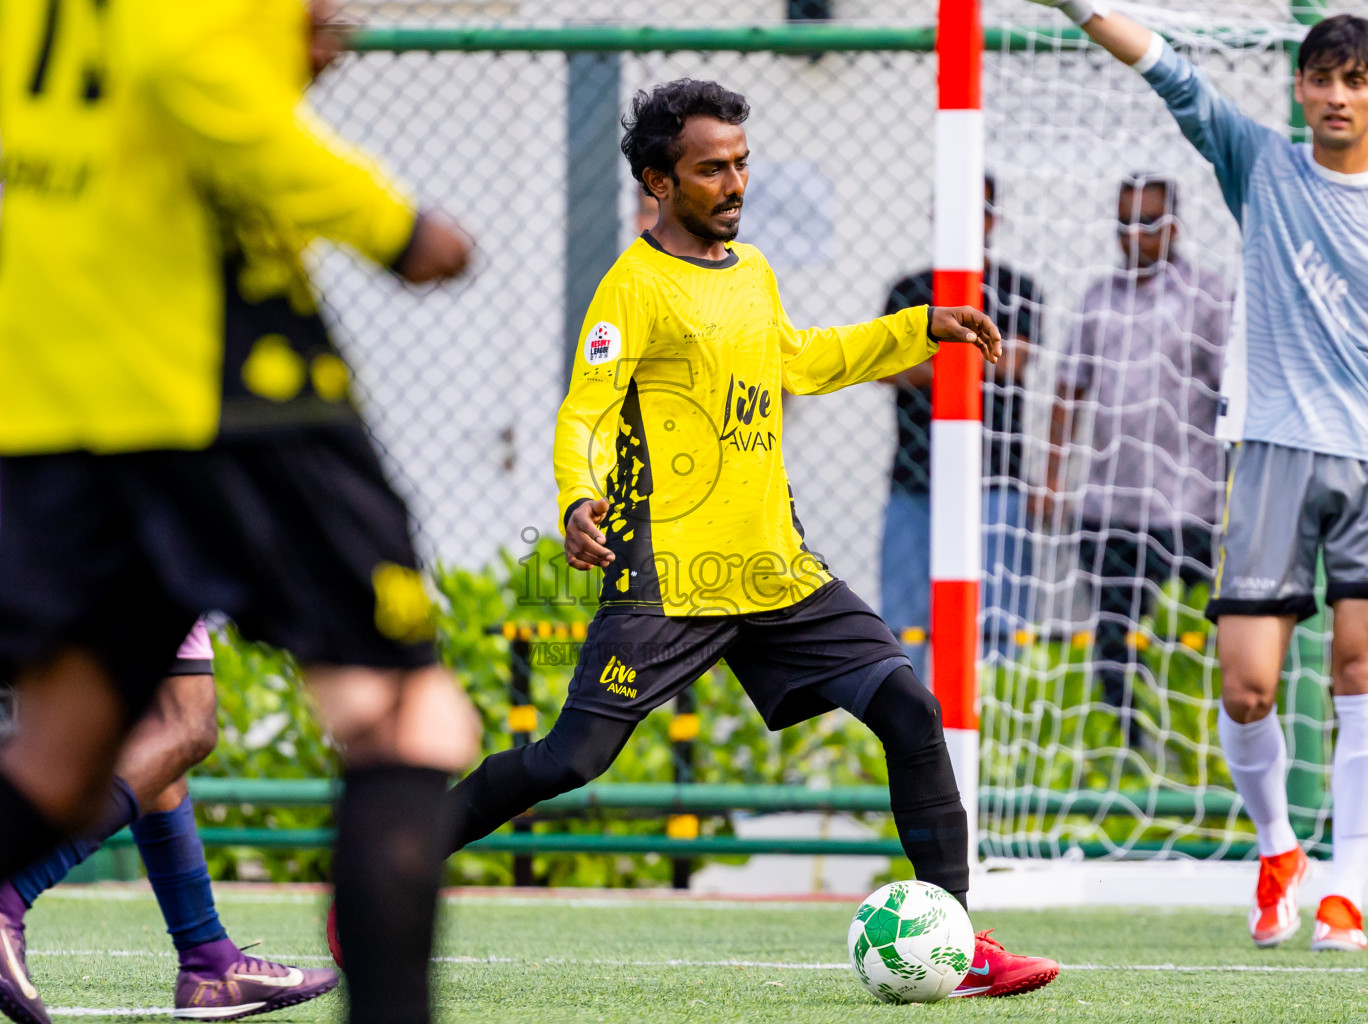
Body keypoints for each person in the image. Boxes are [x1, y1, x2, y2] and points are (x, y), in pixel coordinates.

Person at [0, 3, 478, 1023]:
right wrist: (397, 227)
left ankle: (202, 954)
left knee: (56, 763)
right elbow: (200, 89)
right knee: (402, 718)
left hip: (60, 386)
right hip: (221, 369)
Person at [443, 78, 1058, 999]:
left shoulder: (753, 269)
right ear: (658, 179)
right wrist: (578, 501)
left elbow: (797, 358)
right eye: (709, 169)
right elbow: (585, 414)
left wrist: (917, 327)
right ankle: (398, 860)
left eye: (740, 164)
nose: (733, 183)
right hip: (673, 580)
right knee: (569, 762)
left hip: (776, 571)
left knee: (909, 708)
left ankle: (958, 937)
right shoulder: (632, 289)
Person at [1036, 1, 1368, 952]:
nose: (1337, 96)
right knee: (1249, 686)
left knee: (1361, 666)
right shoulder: (1261, 165)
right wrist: (1075, 6)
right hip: (1265, 455)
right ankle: (1277, 851)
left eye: (1355, 79)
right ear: (1300, 88)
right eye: (1321, 78)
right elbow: (1171, 70)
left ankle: (1345, 889)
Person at [0, 192, 339, 1024]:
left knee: (151, 732)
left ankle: (208, 961)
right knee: (188, 723)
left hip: (43, 471)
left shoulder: (45, 165)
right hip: (125, 478)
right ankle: (0, 895)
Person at [1051, 174, 1230, 749]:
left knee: (1201, 638)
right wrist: (1054, 476)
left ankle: (1204, 752)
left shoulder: (1207, 296)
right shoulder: (1098, 299)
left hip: (1189, 507)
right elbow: (1068, 389)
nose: (1134, 234)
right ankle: (1129, 752)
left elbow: (1236, 395)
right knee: (1116, 643)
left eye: (1147, 222)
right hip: (1111, 508)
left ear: (1173, 226)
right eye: (1124, 222)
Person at [879, 175, 1043, 668]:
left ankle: (985, 728)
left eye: (978, 212)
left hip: (995, 478)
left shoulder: (1018, 289)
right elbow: (885, 367)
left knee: (995, 623)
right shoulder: (908, 290)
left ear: (994, 219)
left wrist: (930, 361)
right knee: (904, 622)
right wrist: (973, 356)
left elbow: (1015, 360)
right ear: (935, 216)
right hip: (915, 479)